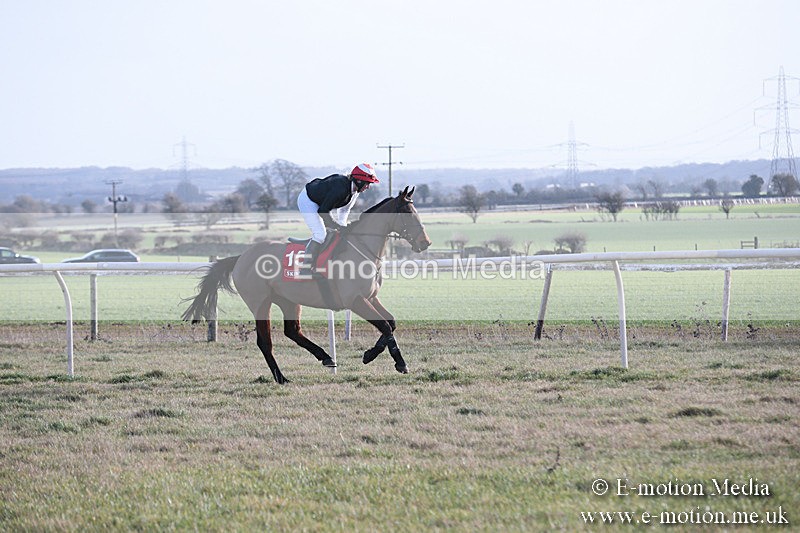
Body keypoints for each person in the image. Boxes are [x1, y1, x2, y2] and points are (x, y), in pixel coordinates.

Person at [297, 163, 379, 272]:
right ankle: (305, 268)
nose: (368, 187)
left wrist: (342, 226)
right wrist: (335, 226)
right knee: (320, 234)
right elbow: (323, 211)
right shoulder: (340, 188)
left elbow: (345, 209)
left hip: (321, 203)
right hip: (308, 200)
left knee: (339, 232)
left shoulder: (355, 191)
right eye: (367, 183)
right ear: (359, 180)